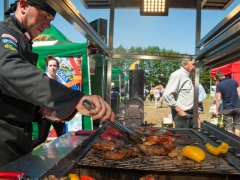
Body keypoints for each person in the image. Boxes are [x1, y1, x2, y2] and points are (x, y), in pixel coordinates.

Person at [0, 0, 115, 168]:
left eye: (51, 20)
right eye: (45, 16)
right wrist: (73, 99)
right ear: (23, 6)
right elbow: (8, 70)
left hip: (18, 135)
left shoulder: (23, 39)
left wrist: (39, 109)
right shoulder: (5, 33)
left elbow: (11, 91)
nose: (47, 25)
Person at [32, 55, 66, 148]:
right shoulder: (44, 79)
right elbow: (37, 96)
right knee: (41, 138)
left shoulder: (60, 81)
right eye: (50, 65)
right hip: (45, 114)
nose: (53, 68)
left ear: (58, 67)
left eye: (54, 65)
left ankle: (64, 159)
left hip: (57, 114)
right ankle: (25, 152)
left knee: (63, 137)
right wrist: (41, 111)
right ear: (47, 67)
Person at [163, 61, 195, 128]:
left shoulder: (188, 76)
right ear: (184, 65)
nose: (195, 67)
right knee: (182, 137)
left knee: (190, 137)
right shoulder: (178, 75)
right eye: (193, 64)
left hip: (191, 113)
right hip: (182, 114)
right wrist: (180, 111)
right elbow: (167, 94)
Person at [214, 71, 240, 136]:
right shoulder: (234, 81)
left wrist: (217, 110)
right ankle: (237, 143)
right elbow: (239, 94)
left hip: (227, 108)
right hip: (237, 106)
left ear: (218, 78)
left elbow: (218, 99)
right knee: (237, 126)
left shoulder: (219, 85)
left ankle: (231, 144)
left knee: (229, 127)